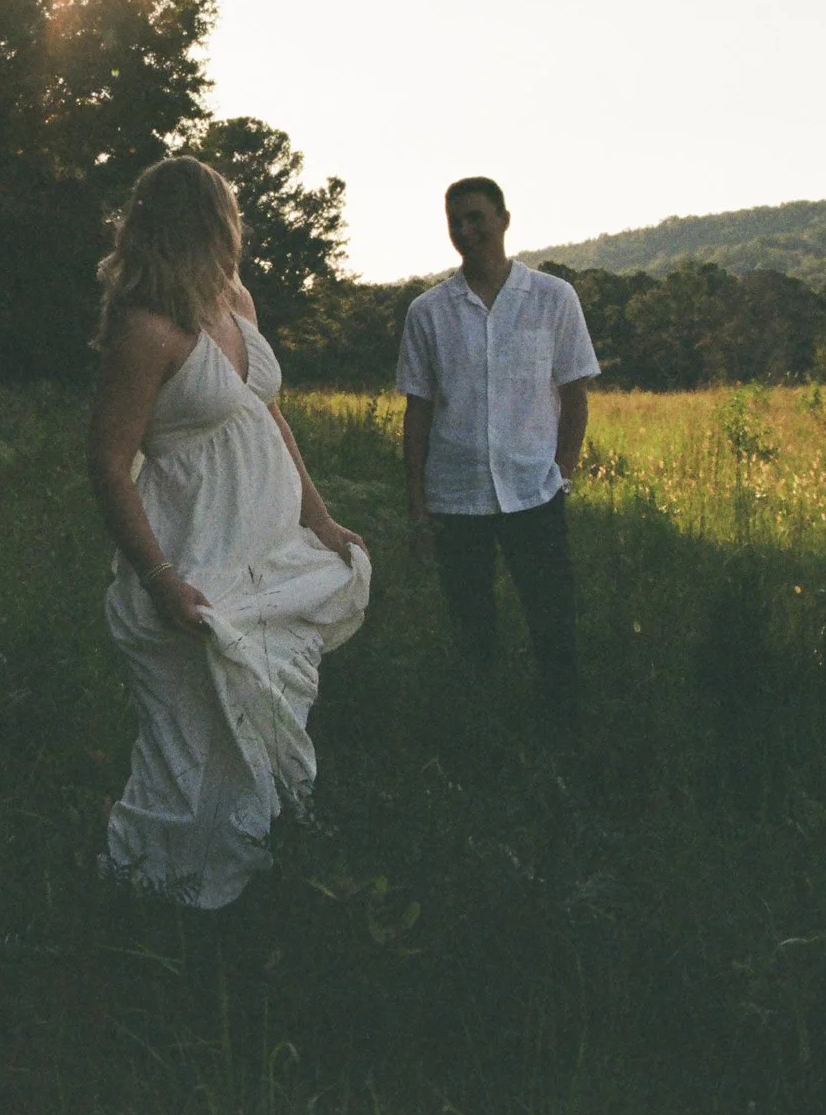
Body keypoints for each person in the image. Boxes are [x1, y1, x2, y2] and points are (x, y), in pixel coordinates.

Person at [88, 156, 371, 908]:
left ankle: (252, 875)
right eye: (228, 214)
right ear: (207, 220)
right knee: (188, 746)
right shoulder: (145, 325)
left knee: (262, 727)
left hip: (268, 556)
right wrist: (158, 579)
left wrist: (319, 516)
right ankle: (152, 887)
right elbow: (110, 464)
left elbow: (266, 413)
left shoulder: (235, 296)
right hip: (194, 558)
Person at [396, 176, 598, 720]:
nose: (466, 231)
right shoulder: (428, 312)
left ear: (504, 219)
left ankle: (563, 730)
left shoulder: (554, 299)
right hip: (456, 496)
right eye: (455, 221)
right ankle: (482, 730)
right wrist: (417, 503)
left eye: (476, 218)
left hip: (534, 491)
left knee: (553, 621)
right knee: (470, 625)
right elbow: (417, 412)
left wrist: (563, 473)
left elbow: (575, 394)